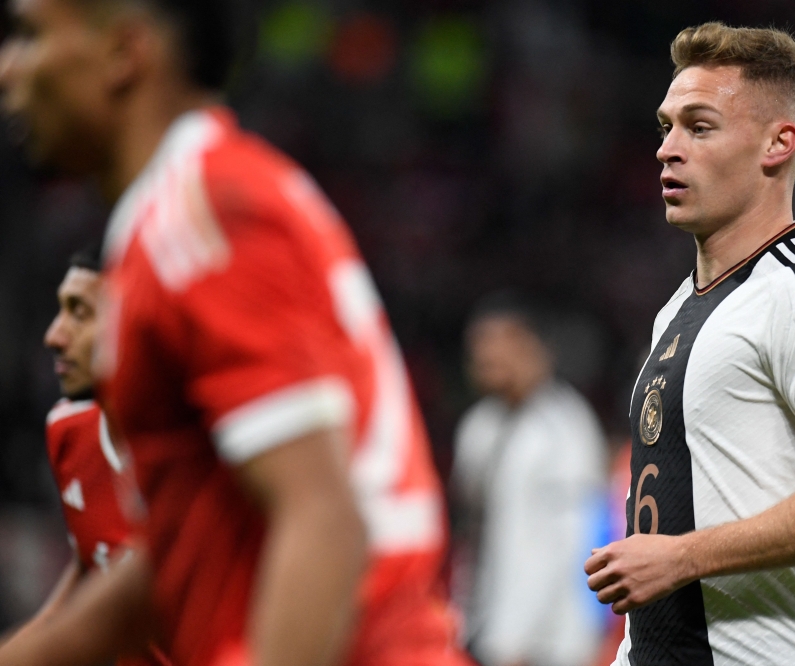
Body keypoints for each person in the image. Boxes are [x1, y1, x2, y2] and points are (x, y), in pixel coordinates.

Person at [0, 1, 472, 666]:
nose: (8, 70)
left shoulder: (205, 212)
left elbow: (323, 520)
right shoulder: (170, 217)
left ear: (123, 54)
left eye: (30, 35)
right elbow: (170, 561)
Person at [584, 23, 795, 666]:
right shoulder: (678, 308)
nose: (667, 150)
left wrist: (683, 557)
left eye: (698, 128)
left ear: (777, 144)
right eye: (665, 126)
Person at [5, 247, 168, 666]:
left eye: (80, 313)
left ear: (130, 320)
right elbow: (90, 570)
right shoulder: (68, 432)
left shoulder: (205, 461)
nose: (54, 336)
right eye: (60, 310)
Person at [452, 295, 606, 666]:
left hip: (550, 643)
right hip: (483, 627)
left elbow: (569, 544)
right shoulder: (477, 427)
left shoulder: (566, 428)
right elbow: (470, 534)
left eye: (501, 344)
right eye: (480, 348)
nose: (488, 358)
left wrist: (522, 640)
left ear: (534, 349)